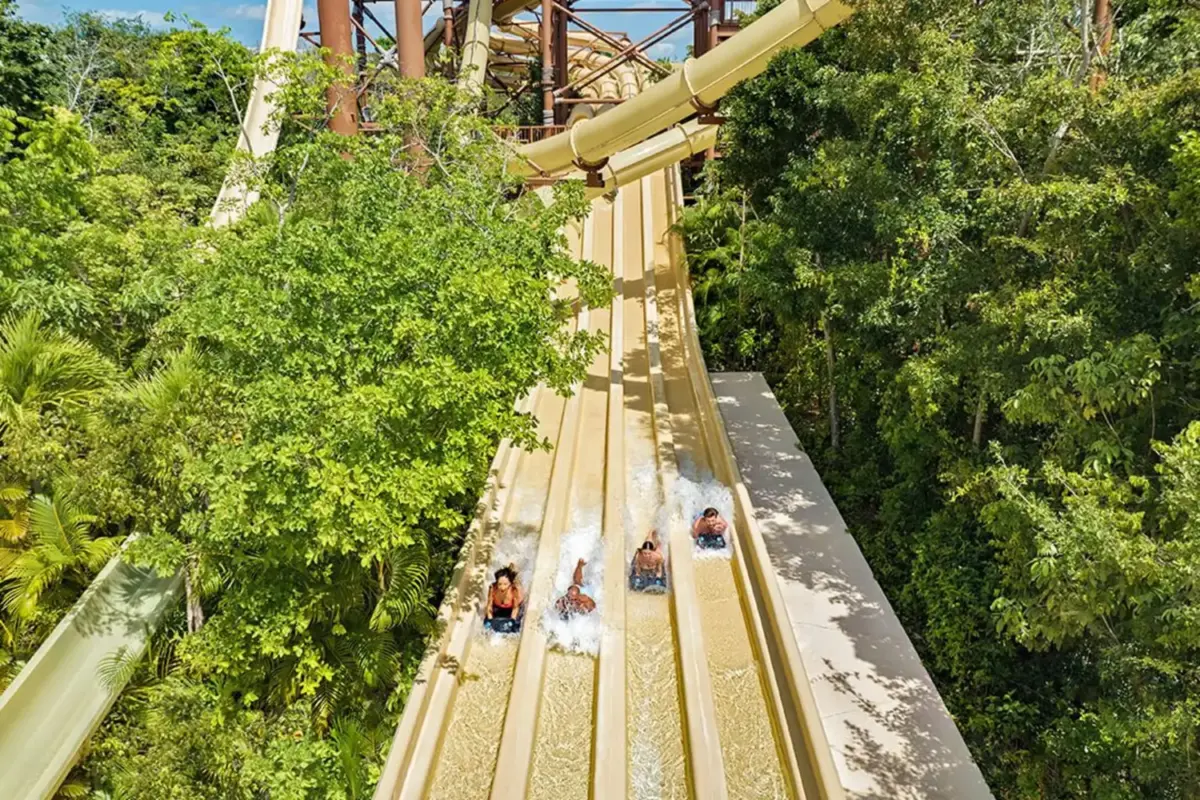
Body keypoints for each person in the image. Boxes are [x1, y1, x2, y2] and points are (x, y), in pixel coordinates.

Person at [485, 564, 523, 633]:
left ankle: (513, 569)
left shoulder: (514, 590)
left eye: (505, 584)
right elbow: (489, 606)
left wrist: (512, 620)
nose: (502, 587)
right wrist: (490, 620)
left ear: (510, 584)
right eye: (499, 584)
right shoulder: (493, 588)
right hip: (498, 607)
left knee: (515, 627)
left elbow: (515, 608)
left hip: (512, 608)